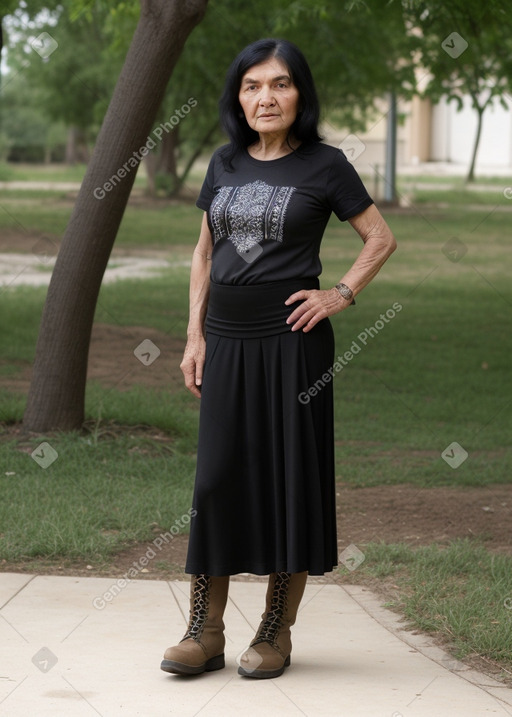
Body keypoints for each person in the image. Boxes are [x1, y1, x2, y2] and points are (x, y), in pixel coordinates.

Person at [161, 38, 396, 680]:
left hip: (293, 341)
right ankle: (204, 631)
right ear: (238, 97)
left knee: (289, 478)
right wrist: (193, 335)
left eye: (281, 84)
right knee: (215, 481)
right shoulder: (225, 162)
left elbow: (380, 236)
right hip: (227, 340)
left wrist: (340, 294)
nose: (266, 96)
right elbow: (204, 253)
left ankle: (274, 632)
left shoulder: (326, 164)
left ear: (300, 94)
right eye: (252, 85)